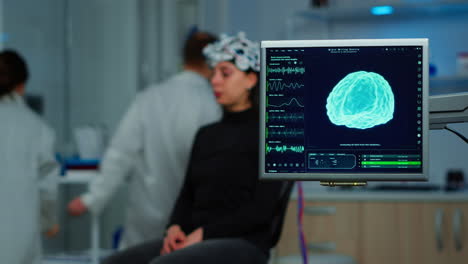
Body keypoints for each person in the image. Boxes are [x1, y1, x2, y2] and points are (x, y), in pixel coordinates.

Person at [102, 32, 287, 264]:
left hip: (244, 243)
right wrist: (174, 227)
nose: (215, 80)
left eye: (225, 73)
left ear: (251, 80)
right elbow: (187, 194)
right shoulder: (206, 134)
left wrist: (205, 234)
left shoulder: (272, 135)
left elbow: (261, 210)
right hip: (196, 239)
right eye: (214, 73)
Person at [67, 31, 222, 249]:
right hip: (194, 221)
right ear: (213, 63)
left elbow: (120, 154)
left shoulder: (150, 98)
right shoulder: (215, 104)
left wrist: (91, 198)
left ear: (184, 58)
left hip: (148, 214)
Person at [0, 50, 59, 264]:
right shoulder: (37, 127)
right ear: (22, 85)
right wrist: (48, 221)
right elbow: (48, 182)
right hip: (19, 238)